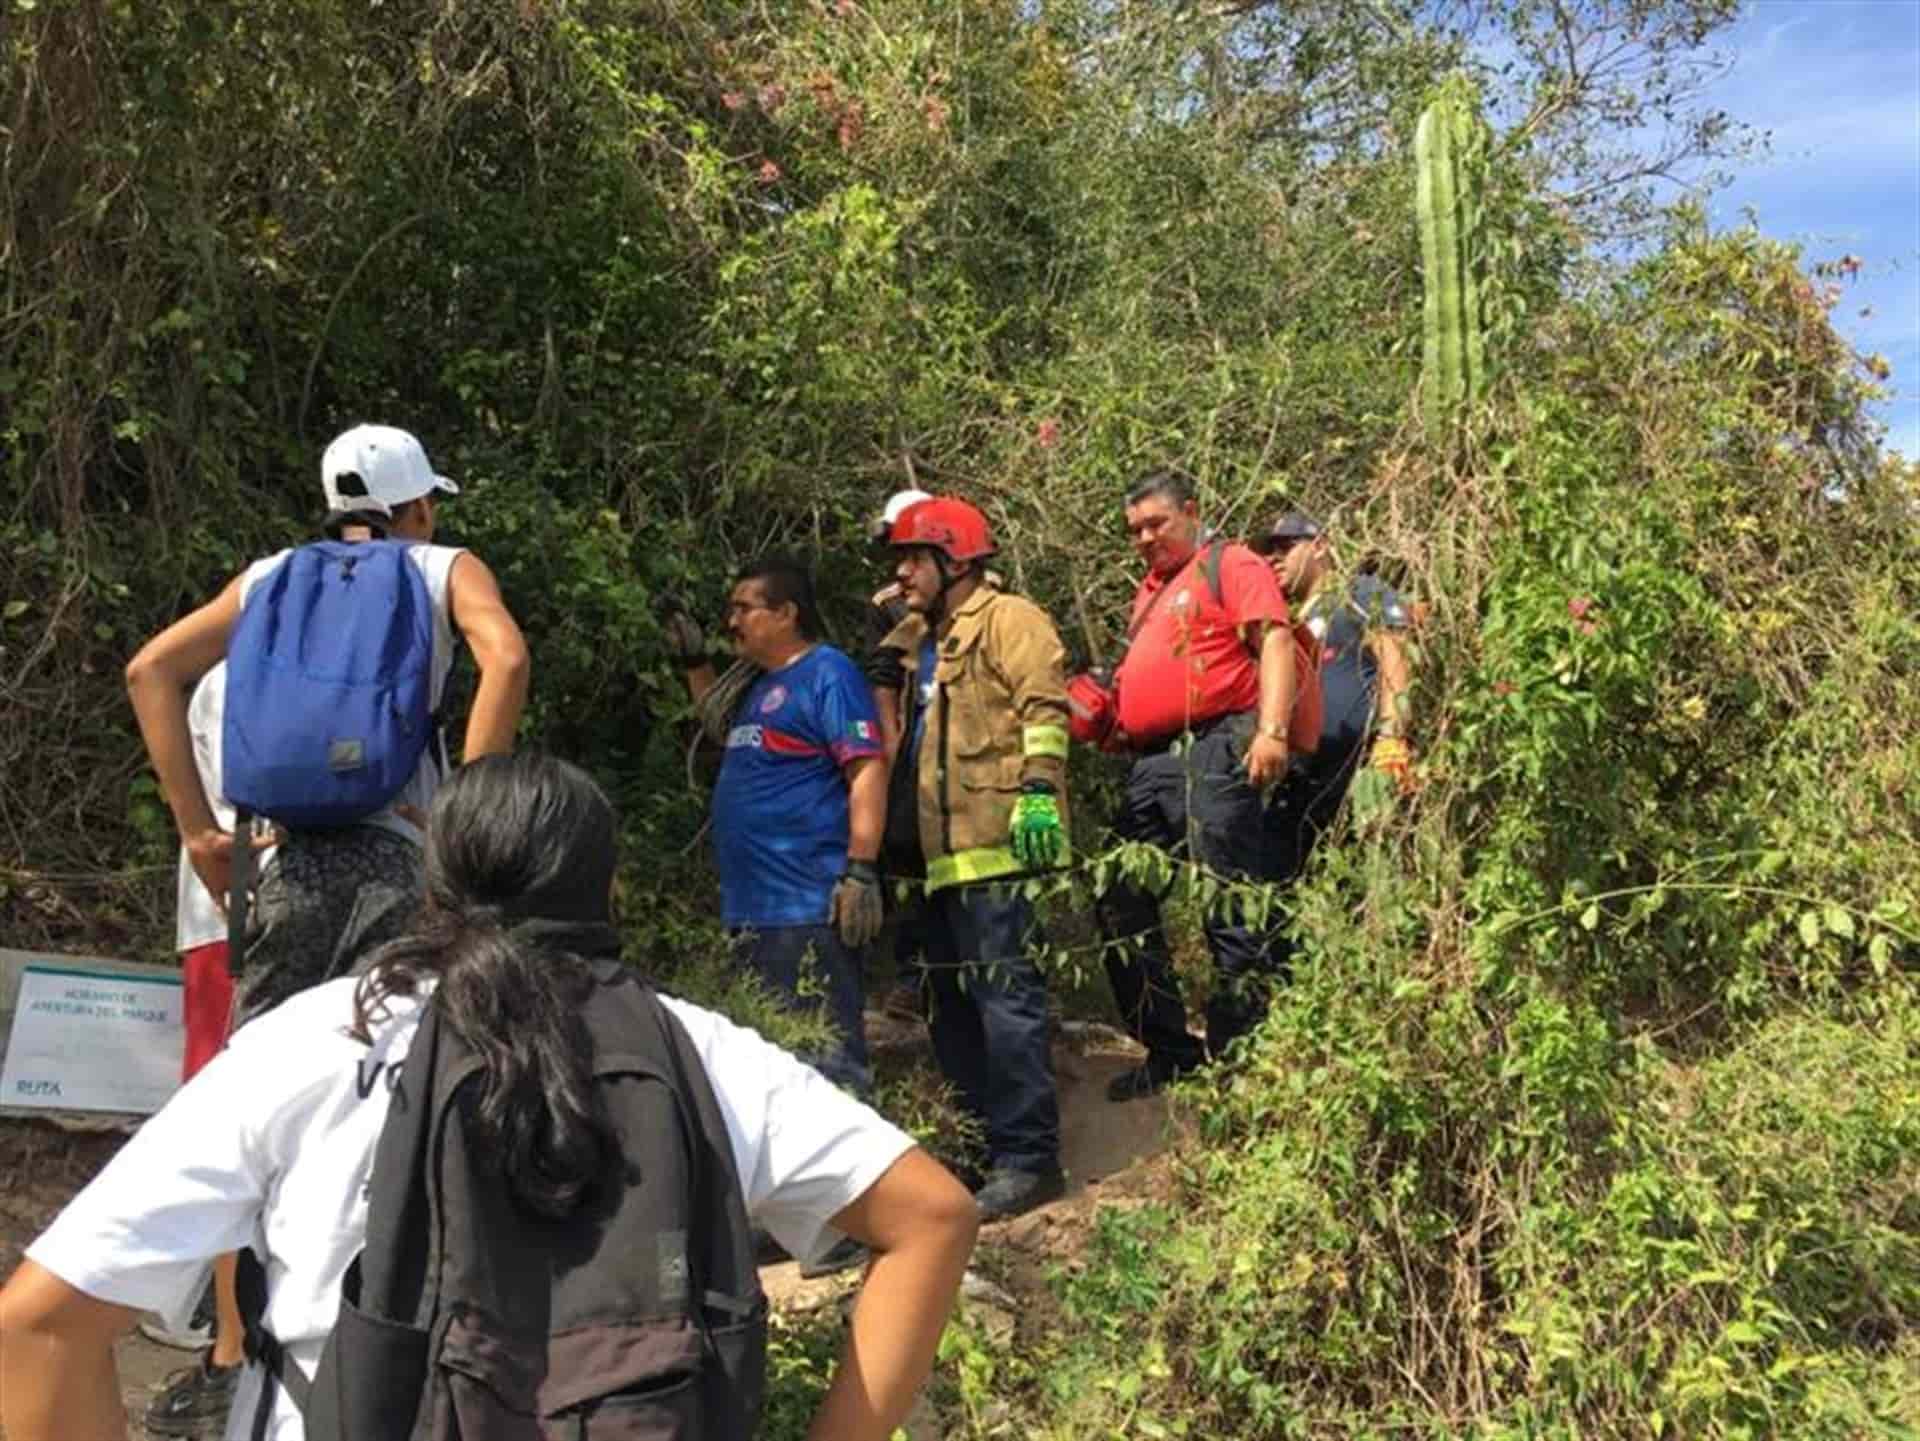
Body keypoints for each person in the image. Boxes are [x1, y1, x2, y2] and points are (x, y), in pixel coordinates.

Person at [0, 753, 979, 1441]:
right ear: (608, 887)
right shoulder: (695, 1050)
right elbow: (934, 1214)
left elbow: (38, 1326)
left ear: (439, 882)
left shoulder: (312, 1037)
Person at [118, 422, 529, 1436]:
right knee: (407, 1087)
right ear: (417, 506)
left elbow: (148, 673)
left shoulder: (267, 577)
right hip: (403, 855)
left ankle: (250, 1355)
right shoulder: (441, 567)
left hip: (285, 865)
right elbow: (507, 658)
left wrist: (200, 833)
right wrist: (469, 806)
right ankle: (398, 1344)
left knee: (266, 1102)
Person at [879, 496, 1071, 1221]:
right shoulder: (919, 639)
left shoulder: (1009, 620)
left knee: (1007, 1007)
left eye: (913, 558)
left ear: (955, 558)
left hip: (997, 845)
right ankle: (977, 1148)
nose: (901, 572)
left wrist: (1040, 792)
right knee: (950, 1011)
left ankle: (1029, 1158)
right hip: (938, 859)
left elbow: (1044, 709)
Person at [1097, 470, 1298, 1102]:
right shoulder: (1151, 591)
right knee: (1117, 895)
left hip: (1216, 746)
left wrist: (1271, 730)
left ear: (1191, 511)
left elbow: (1275, 639)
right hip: (1151, 762)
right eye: (1135, 530)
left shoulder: (1229, 563)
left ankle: (1244, 1059)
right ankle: (1170, 1048)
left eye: (1157, 523)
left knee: (1228, 902)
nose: (1146, 538)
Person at [677, 557, 886, 1099]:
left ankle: (855, 1177)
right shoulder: (760, 686)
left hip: (806, 904)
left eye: (744, 608)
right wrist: (694, 661)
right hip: (753, 909)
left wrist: (861, 870)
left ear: (786, 612)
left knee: (828, 1063)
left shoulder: (827, 674)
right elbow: (718, 728)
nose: (733, 621)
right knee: (775, 1065)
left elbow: (866, 768)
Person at [1252, 510, 1416, 856]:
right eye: (1268, 551)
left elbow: (1393, 655)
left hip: (1357, 768)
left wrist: (1392, 737)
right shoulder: (1286, 622)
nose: (1273, 558)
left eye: (1285, 547)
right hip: (1303, 777)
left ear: (1320, 546)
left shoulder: (1357, 592)